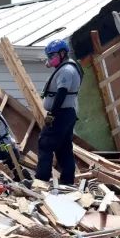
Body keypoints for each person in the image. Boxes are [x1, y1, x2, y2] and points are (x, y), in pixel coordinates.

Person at [36, 39, 83, 185]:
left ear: (63, 53)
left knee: (45, 144)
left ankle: (41, 181)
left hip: (60, 114)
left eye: (53, 55)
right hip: (66, 114)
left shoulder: (66, 70)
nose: (51, 58)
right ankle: (67, 182)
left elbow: (62, 93)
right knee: (63, 149)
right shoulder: (65, 67)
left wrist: (52, 114)